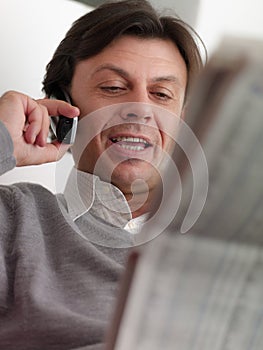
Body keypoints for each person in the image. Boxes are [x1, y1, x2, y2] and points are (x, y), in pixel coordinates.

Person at [0, 0, 205, 349]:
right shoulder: (16, 220)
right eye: (113, 87)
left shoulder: (220, 245)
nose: (141, 109)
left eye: (161, 94)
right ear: (62, 106)